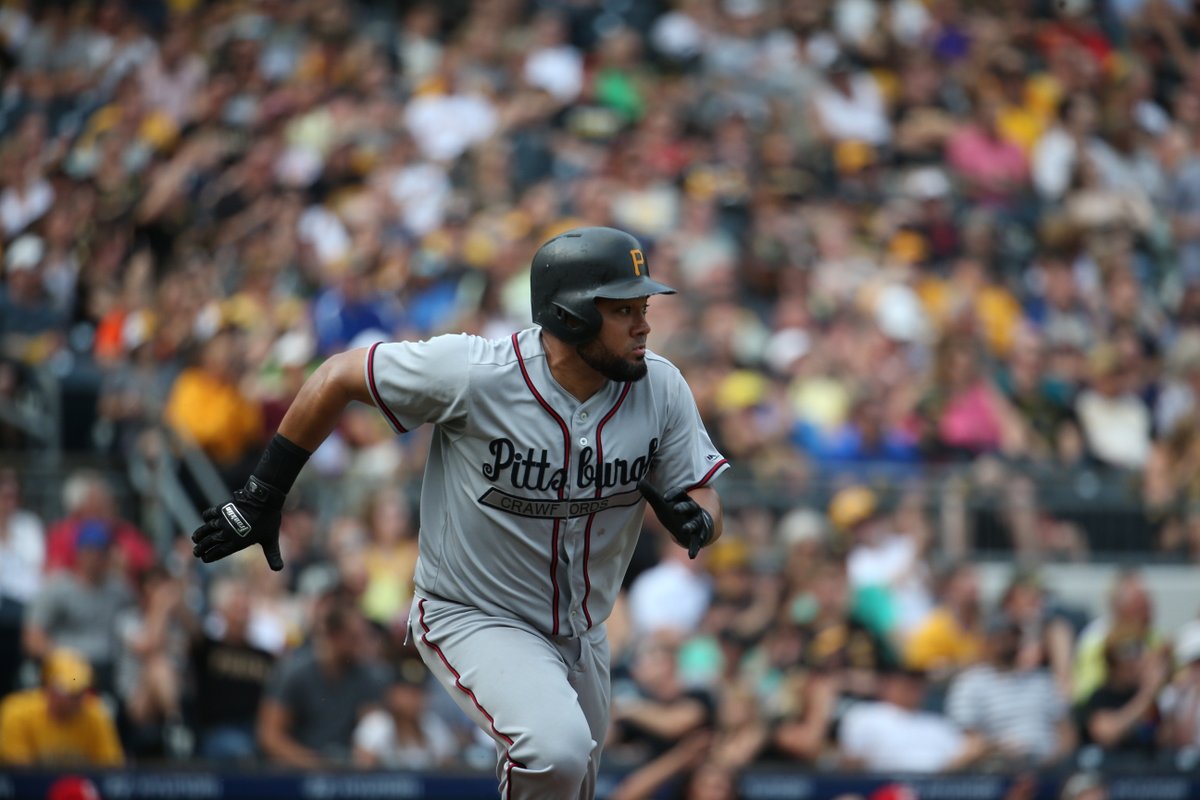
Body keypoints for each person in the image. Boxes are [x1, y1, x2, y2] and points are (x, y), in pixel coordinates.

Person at [191, 226, 728, 799]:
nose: (644, 324)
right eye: (624, 310)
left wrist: (699, 521)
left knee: (569, 782)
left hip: (582, 630)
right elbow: (338, 375)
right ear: (570, 317)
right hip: (474, 612)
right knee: (555, 752)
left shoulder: (661, 387)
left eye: (643, 306)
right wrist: (263, 493)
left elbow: (706, 500)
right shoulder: (478, 373)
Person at [0, 648, 123, 766]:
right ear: (49, 689)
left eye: (83, 692)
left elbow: (110, 767)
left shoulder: (96, 714)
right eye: (72, 694)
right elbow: (19, 773)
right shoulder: (17, 712)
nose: (79, 700)